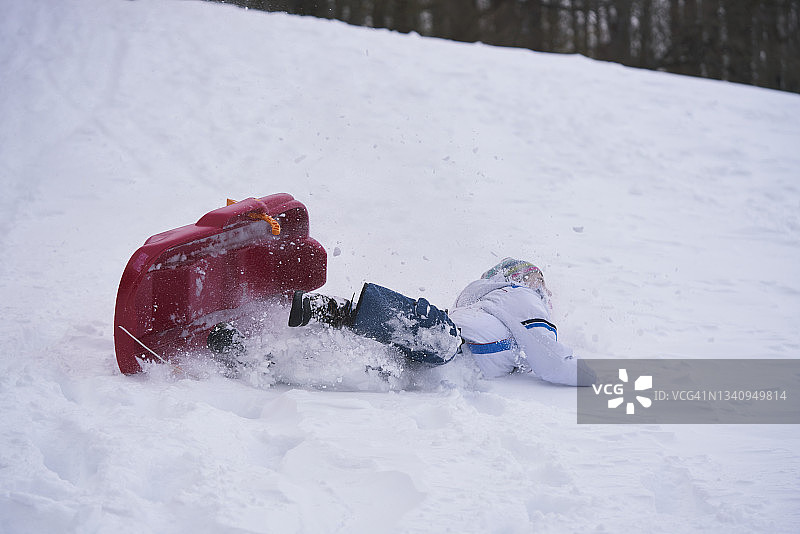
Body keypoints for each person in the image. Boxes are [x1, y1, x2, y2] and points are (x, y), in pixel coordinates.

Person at [284, 258, 594, 386]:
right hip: (449, 343)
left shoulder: (487, 305)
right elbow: (553, 362)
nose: (546, 292)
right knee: (432, 334)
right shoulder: (521, 299)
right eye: (539, 282)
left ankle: (276, 358)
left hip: (440, 363)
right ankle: (337, 310)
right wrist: (602, 378)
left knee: (378, 365)